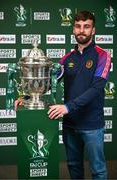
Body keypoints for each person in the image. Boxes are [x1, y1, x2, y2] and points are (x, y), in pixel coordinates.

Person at [48, 11, 111, 179]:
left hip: (92, 125)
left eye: (86, 26)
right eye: (78, 26)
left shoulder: (102, 55)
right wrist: (26, 98)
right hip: (70, 125)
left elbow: (96, 88)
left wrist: (68, 107)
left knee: (98, 170)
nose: (82, 30)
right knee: (74, 167)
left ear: (93, 30)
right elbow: (47, 85)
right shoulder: (66, 59)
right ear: (73, 30)